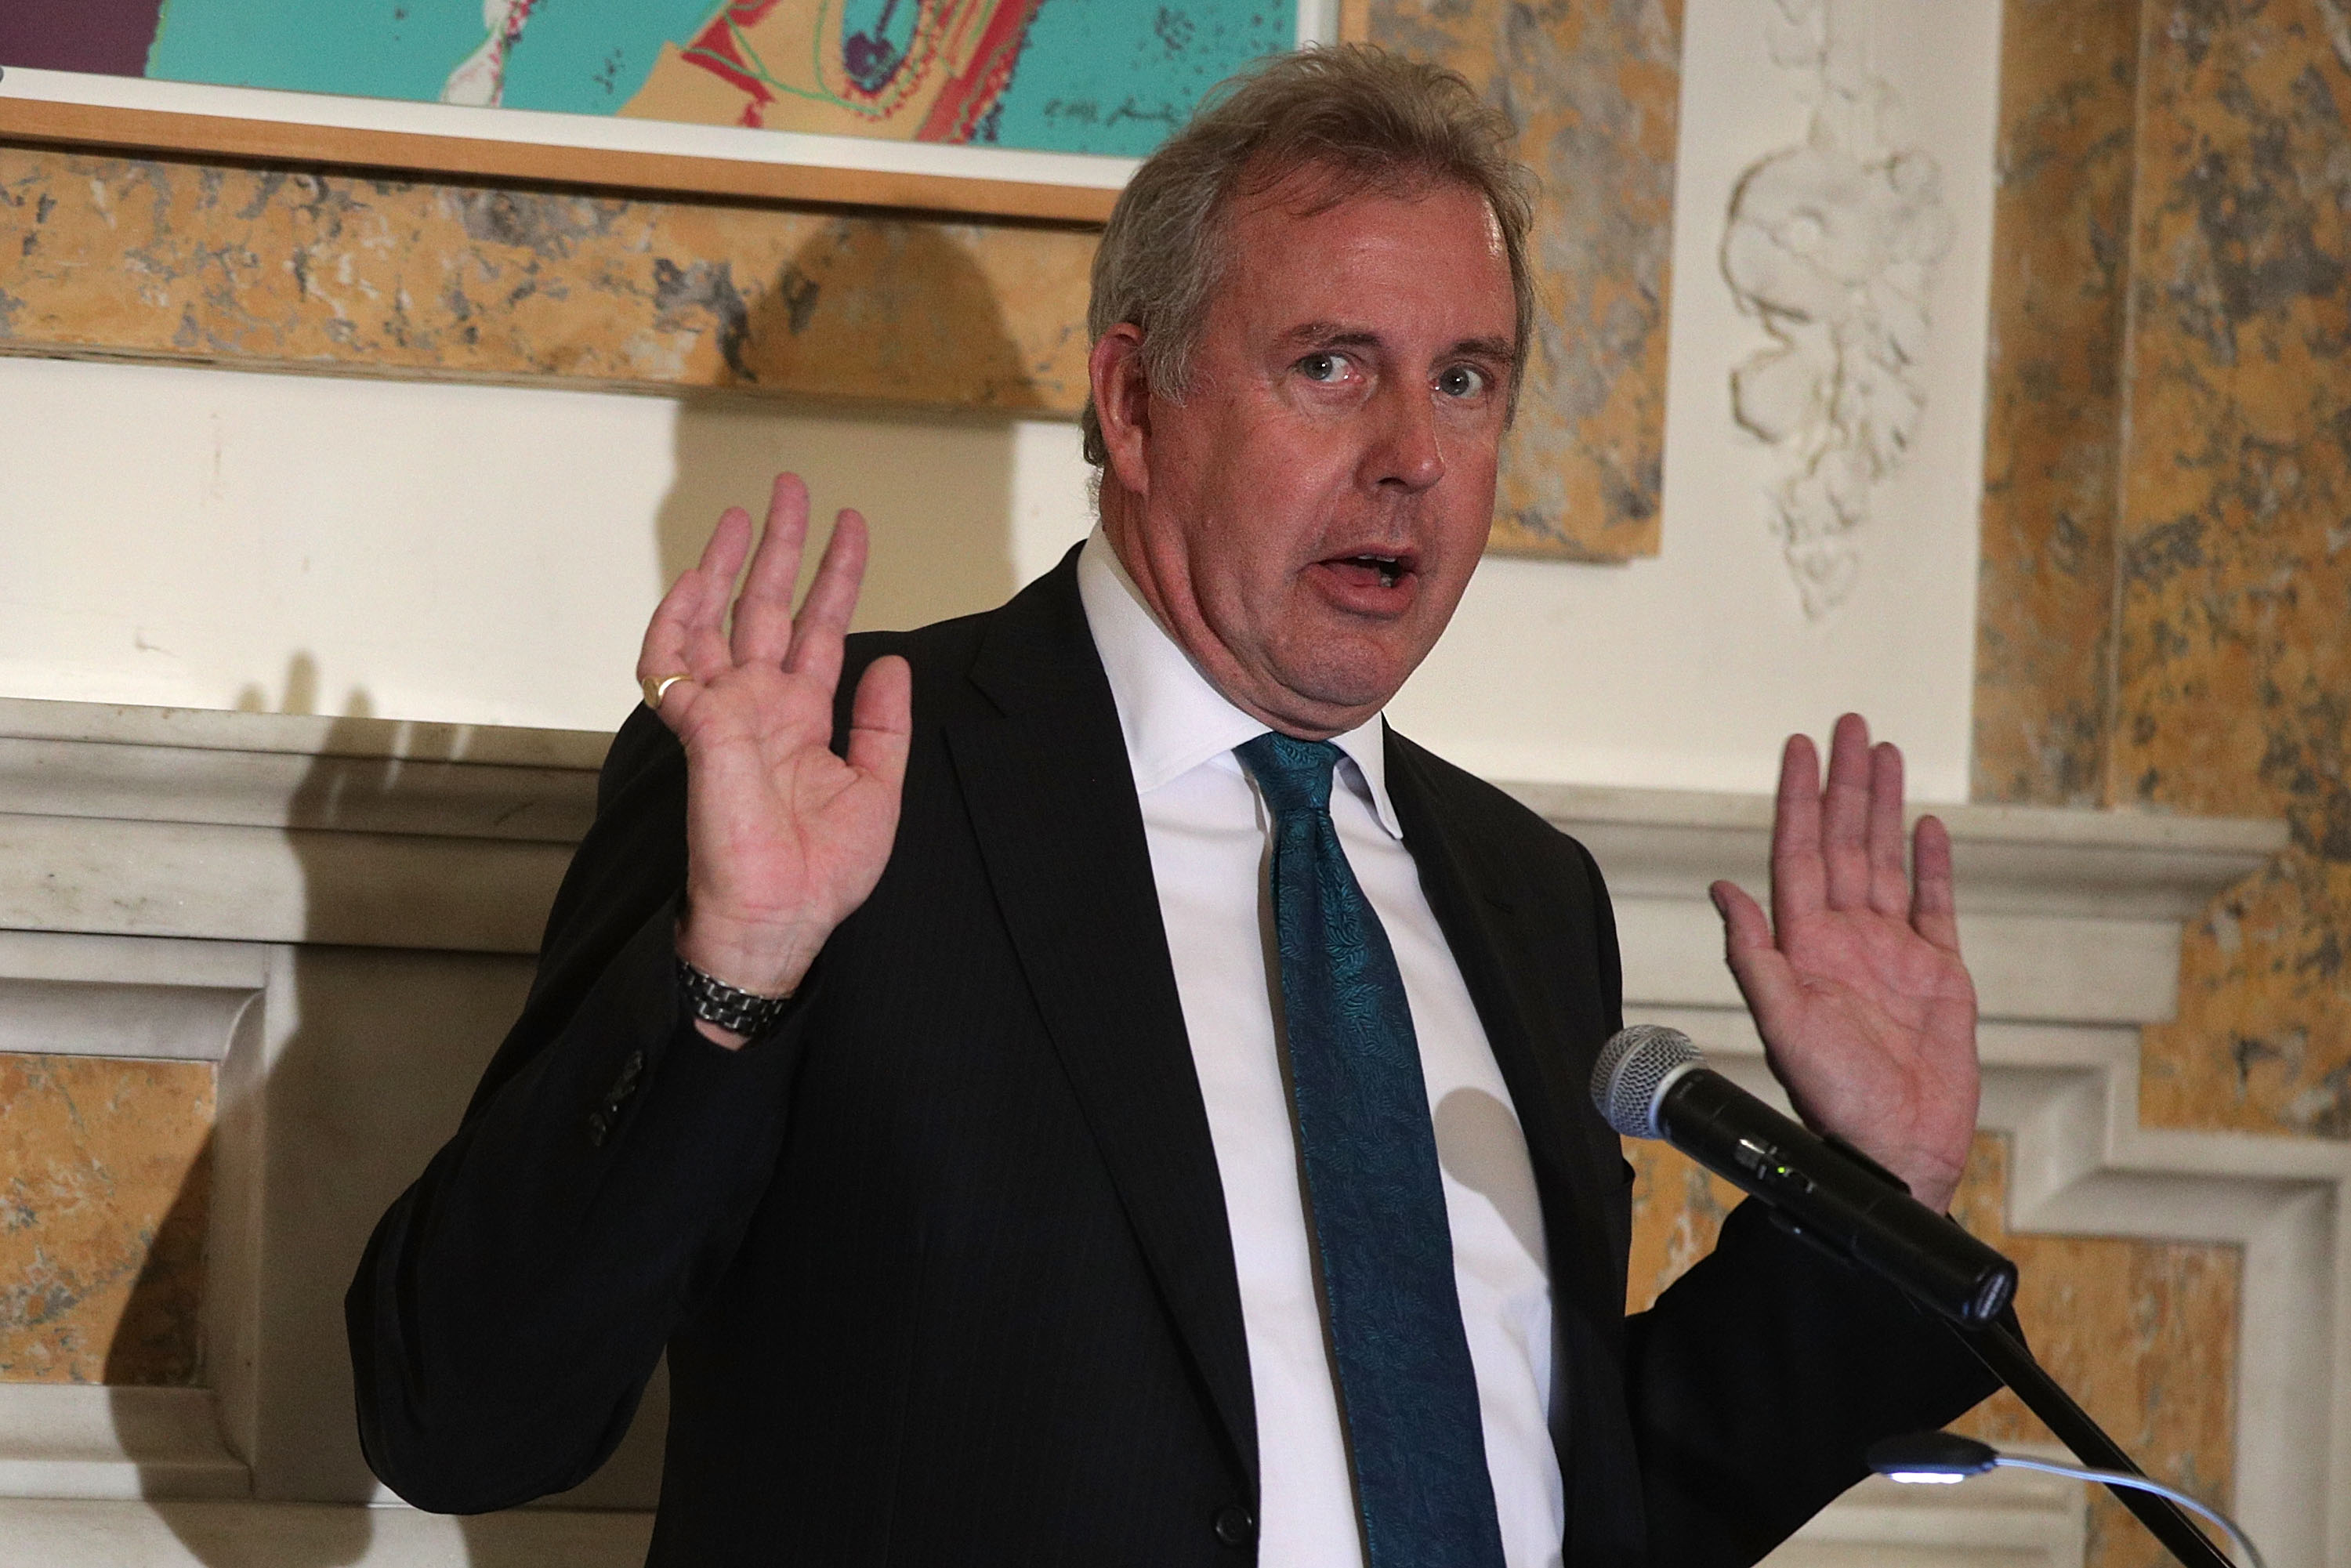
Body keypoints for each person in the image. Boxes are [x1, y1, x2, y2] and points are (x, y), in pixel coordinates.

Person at [348, 45, 1994, 1568]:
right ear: (1133, 405)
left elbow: (1581, 1496)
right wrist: (731, 976)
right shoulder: (850, 786)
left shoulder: (1522, 891)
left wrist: (1880, 1198)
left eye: (1470, 378)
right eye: (1331, 366)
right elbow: (465, 1415)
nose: (1414, 452)